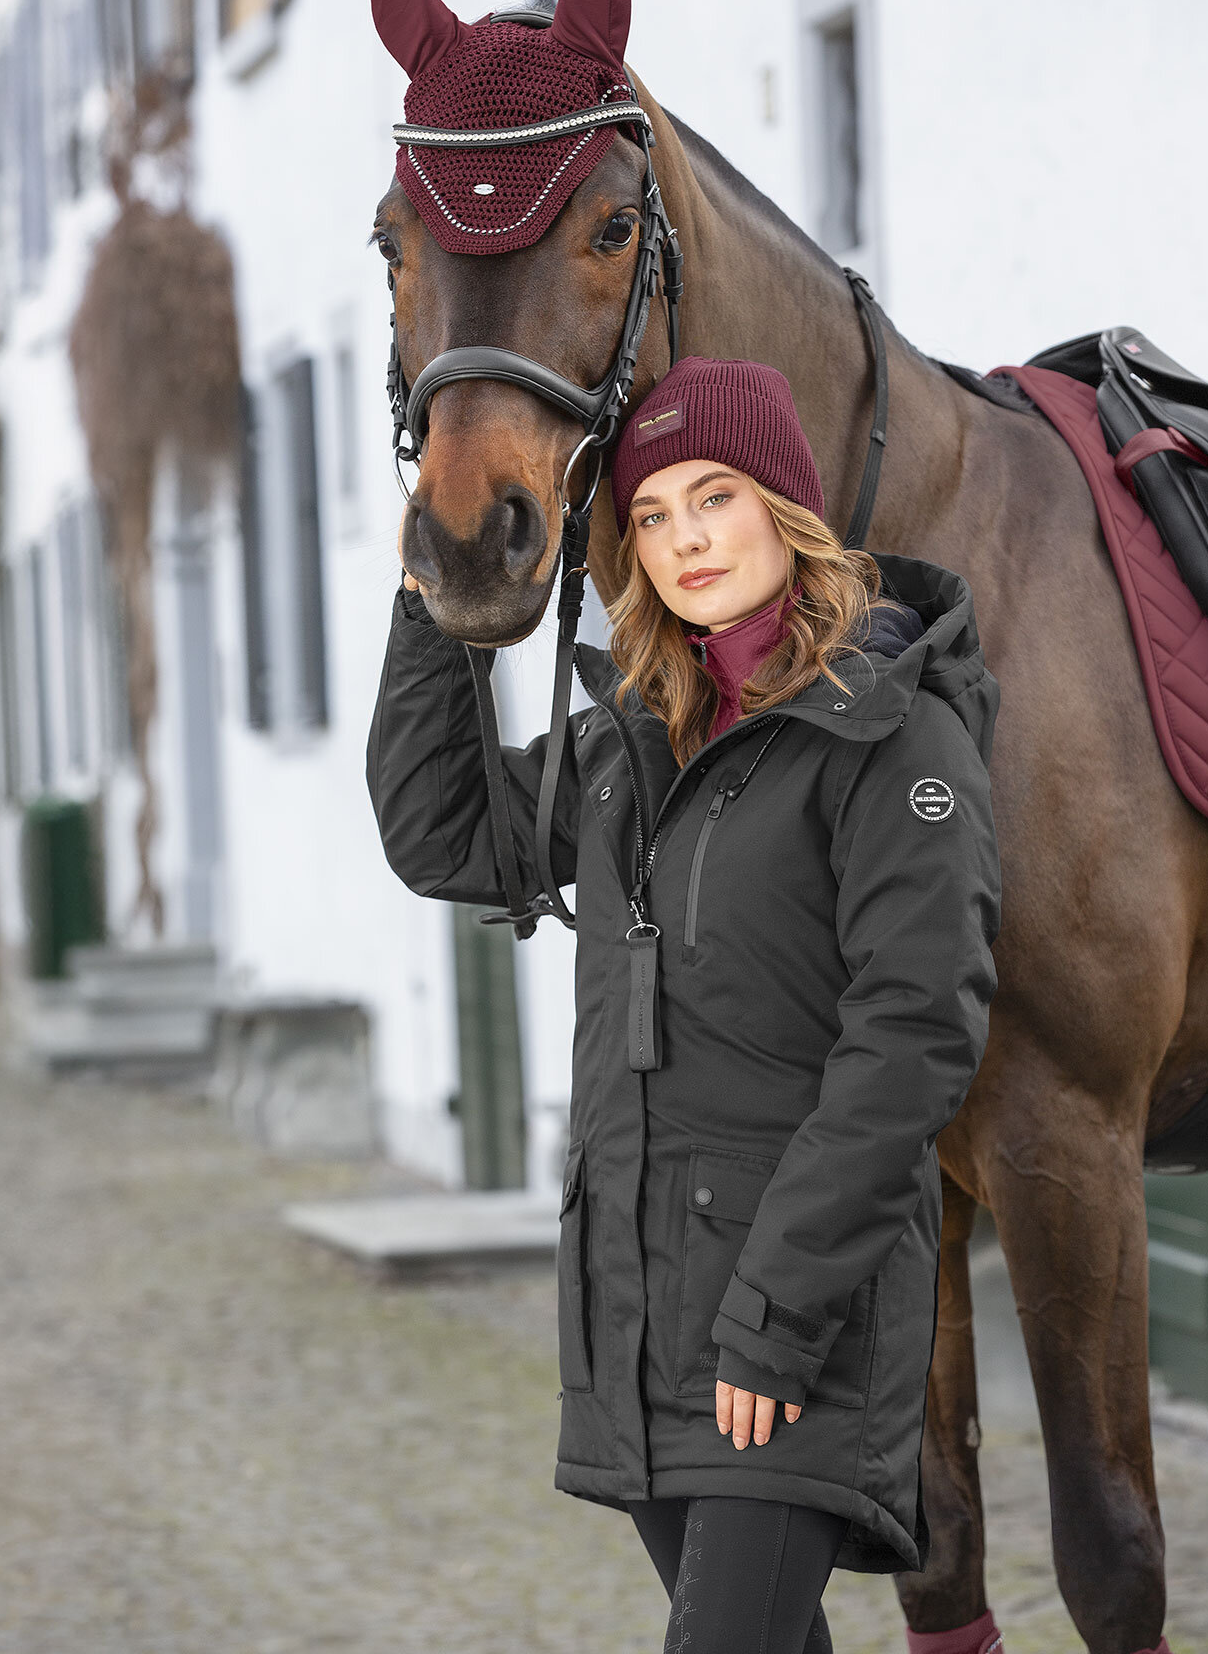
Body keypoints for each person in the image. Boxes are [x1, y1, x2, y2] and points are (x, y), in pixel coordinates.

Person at [369, 354, 1002, 1653]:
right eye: (651, 514)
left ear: (786, 506)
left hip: (792, 1315)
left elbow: (911, 1042)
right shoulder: (627, 737)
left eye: (713, 497)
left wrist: (770, 1322)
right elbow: (445, 834)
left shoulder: (894, 744)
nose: (683, 540)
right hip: (636, 1304)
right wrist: (435, 584)